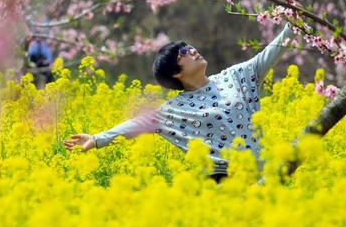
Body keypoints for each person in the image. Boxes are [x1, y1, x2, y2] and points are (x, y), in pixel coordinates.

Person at [63, 23, 294, 183]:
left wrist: (293, 23)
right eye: (183, 52)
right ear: (175, 73)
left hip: (267, 174)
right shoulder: (175, 109)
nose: (192, 50)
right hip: (225, 182)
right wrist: (96, 139)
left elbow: (271, 51)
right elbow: (136, 124)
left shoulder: (236, 76)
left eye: (190, 46)